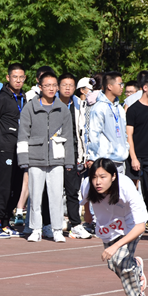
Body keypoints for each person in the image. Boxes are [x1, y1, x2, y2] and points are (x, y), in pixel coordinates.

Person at [81, 159, 148, 296]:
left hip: (130, 225)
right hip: (107, 226)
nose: (98, 182)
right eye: (94, 177)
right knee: (113, 264)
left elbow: (141, 226)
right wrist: (87, 213)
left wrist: (115, 246)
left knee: (121, 261)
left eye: (103, 177)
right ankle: (136, 266)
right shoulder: (87, 184)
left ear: (113, 176)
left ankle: (137, 295)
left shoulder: (126, 186)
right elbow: (86, 198)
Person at [18, 71, 73, 243]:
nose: (51, 88)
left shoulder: (63, 109)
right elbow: (23, 135)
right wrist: (23, 159)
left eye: (54, 85)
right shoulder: (30, 108)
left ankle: (57, 229)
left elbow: (68, 136)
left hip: (57, 157)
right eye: (47, 85)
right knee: (35, 196)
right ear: (40, 87)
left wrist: (69, 161)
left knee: (56, 196)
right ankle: (36, 229)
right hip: (35, 157)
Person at [0, 63, 26, 238]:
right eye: (15, 77)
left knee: (16, 187)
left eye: (21, 77)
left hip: (20, 149)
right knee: (2, 187)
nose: (18, 80)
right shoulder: (1, 99)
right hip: (4, 149)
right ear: (8, 78)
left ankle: (6, 222)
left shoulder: (23, 98)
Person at [125, 73, 148, 233]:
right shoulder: (133, 110)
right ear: (145, 87)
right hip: (136, 156)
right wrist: (133, 158)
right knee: (131, 190)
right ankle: (130, 220)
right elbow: (129, 136)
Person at [59, 73, 91, 239]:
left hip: (74, 153)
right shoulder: (52, 103)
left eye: (71, 85)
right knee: (53, 192)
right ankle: (50, 224)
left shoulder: (79, 104)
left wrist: (84, 155)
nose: (67, 88)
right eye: (64, 84)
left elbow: (83, 132)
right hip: (55, 153)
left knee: (73, 191)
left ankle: (76, 225)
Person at [86, 71, 129, 174]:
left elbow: (124, 133)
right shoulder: (99, 108)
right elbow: (93, 134)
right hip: (105, 160)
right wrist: (92, 157)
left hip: (121, 159)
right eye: (120, 84)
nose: (122, 87)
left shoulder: (120, 108)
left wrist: (126, 149)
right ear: (109, 86)